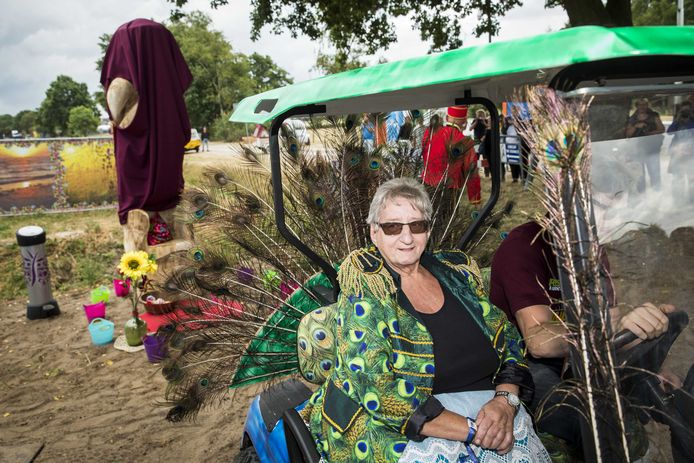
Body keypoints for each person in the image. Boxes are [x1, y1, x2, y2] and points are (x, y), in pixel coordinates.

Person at [301, 178, 550, 463]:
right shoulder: (365, 288)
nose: (407, 238)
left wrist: (506, 402)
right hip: (408, 429)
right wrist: (473, 431)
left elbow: (510, 342)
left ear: (428, 230)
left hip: (493, 414)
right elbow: (378, 390)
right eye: (393, 227)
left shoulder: (458, 275)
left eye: (416, 225)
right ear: (374, 232)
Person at [489, 217, 675, 449]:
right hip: (520, 363)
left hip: (578, 354)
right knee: (591, 420)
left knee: (665, 396)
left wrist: (653, 366)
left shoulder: (590, 251)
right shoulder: (524, 246)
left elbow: (613, 322)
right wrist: (608, 325)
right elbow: (538, 341)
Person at [421, 106, 481, 204]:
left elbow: (424, 155)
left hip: (426, 187)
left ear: (447, 118)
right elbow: (472, 172)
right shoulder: (465, 141)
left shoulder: (430, 132)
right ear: (465, 121)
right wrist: (475, 198)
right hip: (449, 191)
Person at [625, 98, 665, 192]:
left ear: (647, 105)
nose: (642, 107)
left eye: (644, 104)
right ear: (637, 106)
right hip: (636, 151)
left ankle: (657, 197)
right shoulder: (632, 118)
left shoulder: (654, 116)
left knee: (655, 175)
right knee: (639, 176)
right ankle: (642, 198)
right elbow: (628, 134)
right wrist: (636, 126)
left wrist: (650, 134)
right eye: (640, 104)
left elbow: (662, 129)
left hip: (652, 150)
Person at [667, 101, 694, 203]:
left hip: (691, 153)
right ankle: (678, 199)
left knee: (692, 177)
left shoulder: (692, 119)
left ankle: (691, 199)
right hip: (678, 152)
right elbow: (669, 132)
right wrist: (677, 120)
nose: (685, 112)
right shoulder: (678, 120)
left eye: (687, 110)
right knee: (677, 177)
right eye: (683, 110)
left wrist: (689, 120)